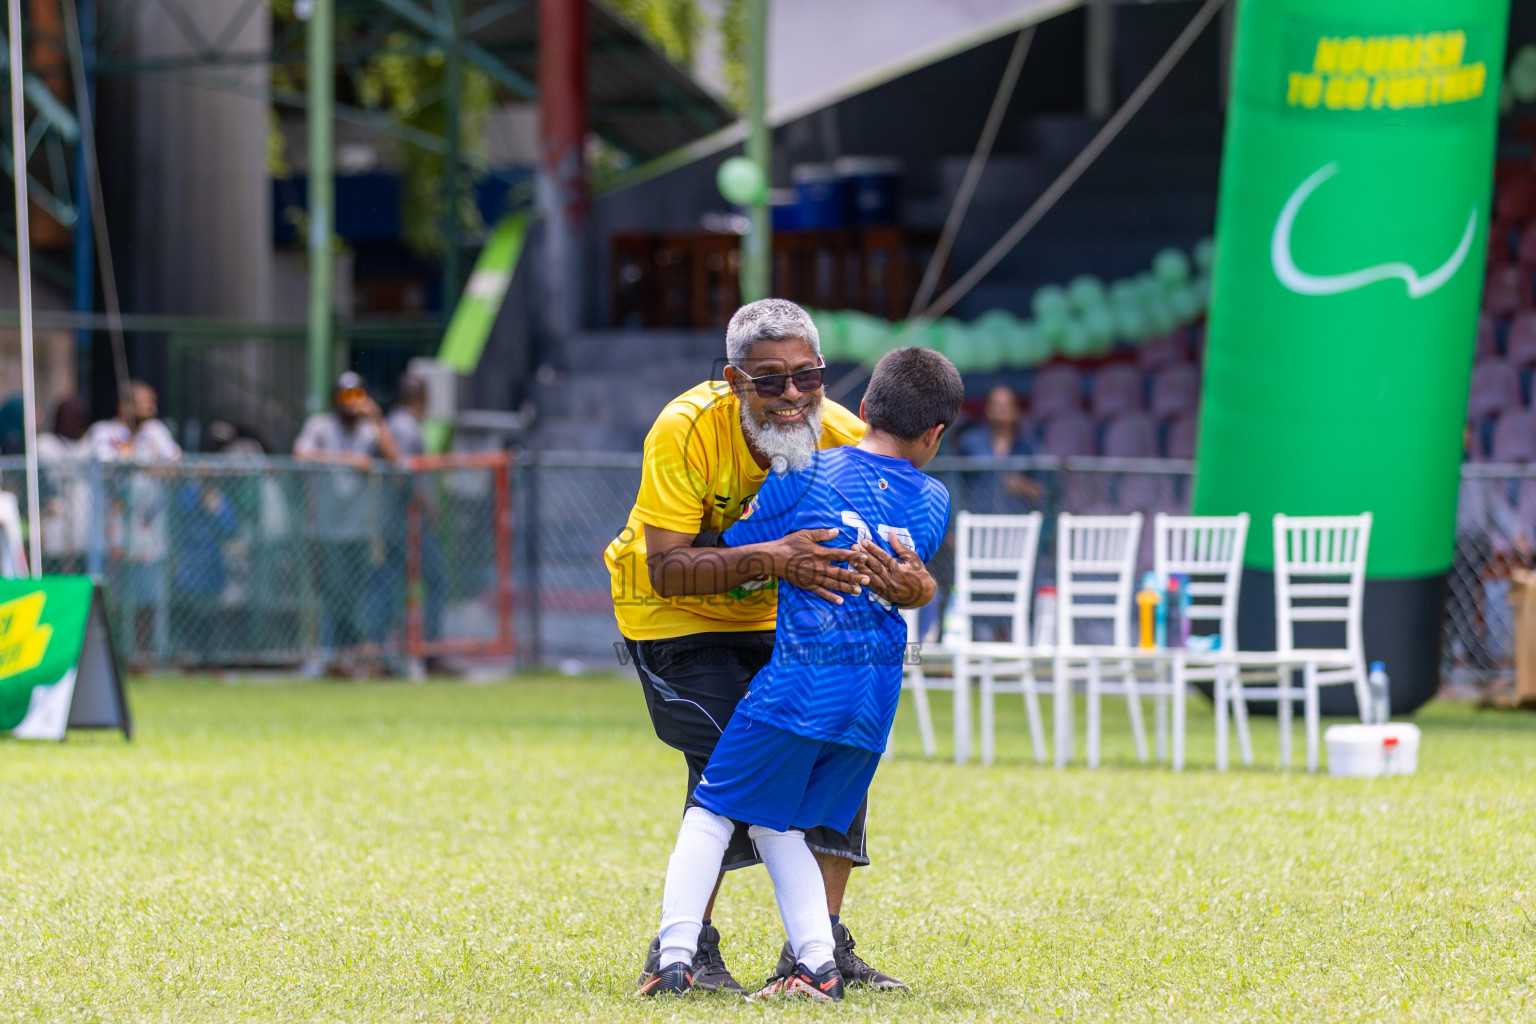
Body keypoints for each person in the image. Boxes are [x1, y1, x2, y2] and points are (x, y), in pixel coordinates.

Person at [606, 298, 935, 992]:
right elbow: (665, 569)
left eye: (807, 376)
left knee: (831, 744)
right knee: (732, 756)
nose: (792, 396)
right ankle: (685, 952)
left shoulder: (845, 436)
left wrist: (916, 590)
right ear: (734, 380)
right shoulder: (685, 428)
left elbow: (906, 547)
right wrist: (772, 557)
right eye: (769, 380)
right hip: (673, 621)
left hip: (777, 624)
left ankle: (816, 952)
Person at [293, 372, 400, 675]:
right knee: (331, 596)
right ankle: (327, 658)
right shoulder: (320, 426)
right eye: (345, 397)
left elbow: (396, 459)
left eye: (357, 396)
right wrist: (347, 460)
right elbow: (300, 455)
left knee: (359, 599)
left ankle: (356, 658)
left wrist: (378, 419)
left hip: (361, 531)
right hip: (327, 530)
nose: (351, 403)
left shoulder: (369, 430)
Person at [954, 384, 1043, 513]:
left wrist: (1022, 486)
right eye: (996, 405)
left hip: (1018, 523)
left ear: (1016, 410)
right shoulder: (970, 443)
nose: (1001, 409)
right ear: (987, 409)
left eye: (1007, 405)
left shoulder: (1029, 445)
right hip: (977, 520)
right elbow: (956, 484)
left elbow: (1044, 490)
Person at [84, 381, 182, 461]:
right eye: (145, 403)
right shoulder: (103, 431)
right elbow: (107, 466)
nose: (152, 409)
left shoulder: (154, 429)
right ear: (124, 406)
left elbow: (175, 460)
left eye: (153, 402)